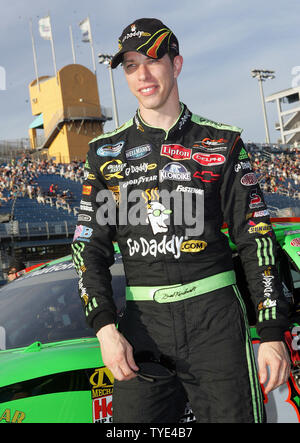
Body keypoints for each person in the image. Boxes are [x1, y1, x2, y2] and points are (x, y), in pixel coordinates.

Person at [72, 18, 291, 423]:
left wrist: (273, 332)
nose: (143, 74)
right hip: (142, 328)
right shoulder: (105, 154)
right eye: (132, 65)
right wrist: (104, 328)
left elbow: (255, 239)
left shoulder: (221, 142)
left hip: (217, 322)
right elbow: (89, 246)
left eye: (154, 60)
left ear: (177, 64)